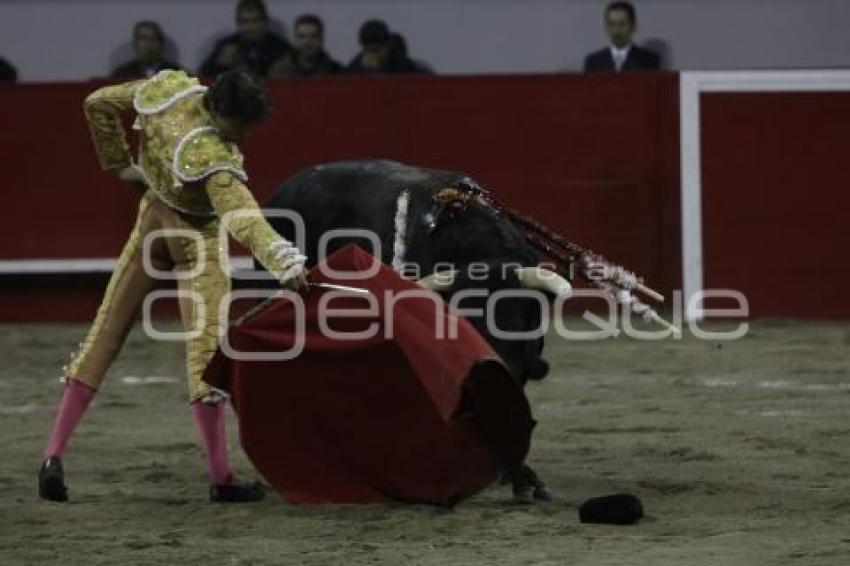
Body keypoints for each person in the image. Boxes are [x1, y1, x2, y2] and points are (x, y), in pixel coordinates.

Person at [38, 68, 308, 503]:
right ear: (222, 112)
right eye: (240, 127)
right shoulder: (214, 158)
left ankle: (52, 455)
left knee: (105, 333)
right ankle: (221, 477)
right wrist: (286, 261)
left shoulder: (167, 91)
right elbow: (244, 220)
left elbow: (98, 103)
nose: (242, 137)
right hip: (197, 241)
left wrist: (120, 164)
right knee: (206, 354)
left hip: (151, 222)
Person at [199, 0, 290, 78]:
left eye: (256, 21)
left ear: (265, 21)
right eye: (245, 22)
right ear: (237, 23)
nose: (251, 27)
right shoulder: (226, 45)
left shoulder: (280, 47)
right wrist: (220, 64)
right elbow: (203, 75)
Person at [583, 1, 660, 73]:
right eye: (612, 24)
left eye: (622, 24)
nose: (617, 30)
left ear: (633, 26)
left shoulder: (649, 60)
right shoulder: (593, 62)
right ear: (606, 27)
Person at [268, 14, 344, 78]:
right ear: (295, 39)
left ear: (322, 40)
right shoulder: (278, 71)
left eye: (313, 36)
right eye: (302, 36)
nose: (307, 42)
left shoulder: (336, 72)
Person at [112, 21, 181, 79]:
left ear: (161, 44)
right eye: (143, 38)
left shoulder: (176, 73)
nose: (148, 44)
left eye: (153, 39)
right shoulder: (121, 74)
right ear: (135, 43)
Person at [347, 20, 419, 75]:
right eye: (369, 51)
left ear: (388, 46)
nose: (373, 55)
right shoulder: (355, 68)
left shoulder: (405, 67)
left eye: (376, 50)